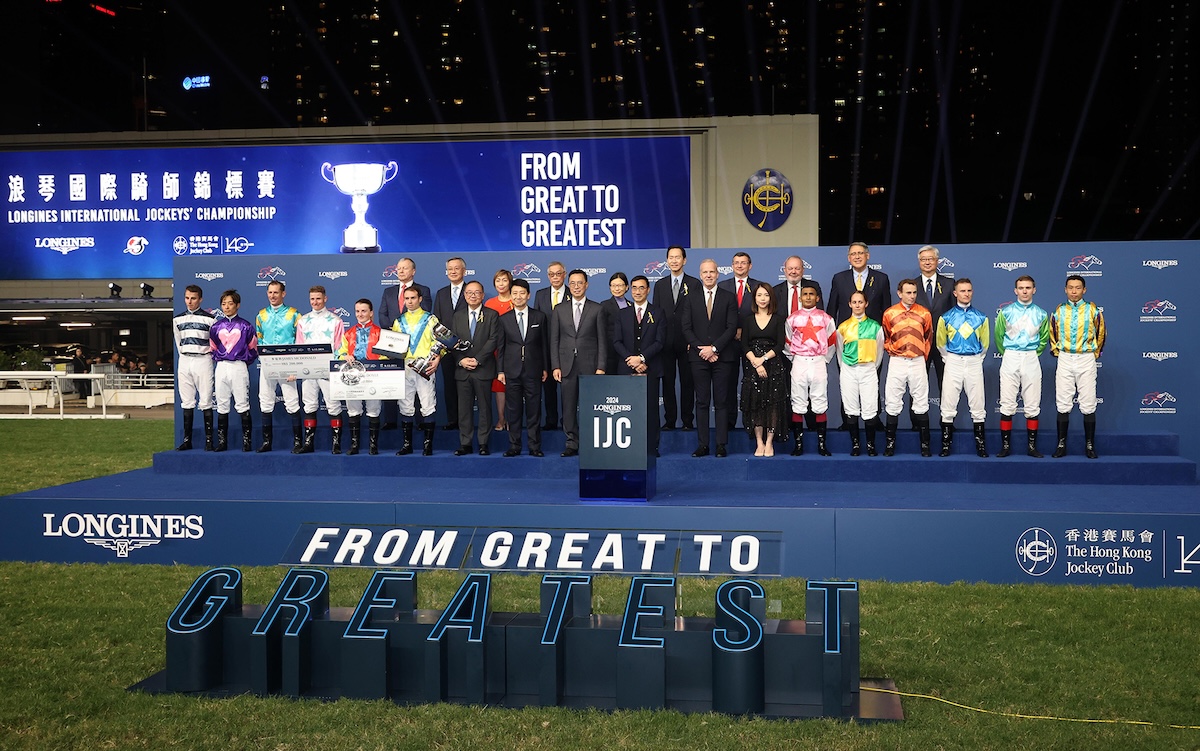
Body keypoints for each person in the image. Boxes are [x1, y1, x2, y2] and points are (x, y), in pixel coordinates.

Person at [827, 242, 891, 430]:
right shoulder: (839, 278)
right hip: (848, 338)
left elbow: (886, 308)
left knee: (874, 378)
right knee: (847, 381)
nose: (857, 256)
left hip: (872, 338)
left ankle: (874, 418)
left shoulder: (881, 278)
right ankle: (848, 419)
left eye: (860, 253)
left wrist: (884, 334)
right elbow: (832, 308)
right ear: (848, 258)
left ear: (868, 256)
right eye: (853, 254)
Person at [680, 258, 738, 457]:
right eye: (705, 272)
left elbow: (731, 328)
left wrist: (714, 348)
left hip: (723, 357)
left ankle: (721, 444)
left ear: (718, 273)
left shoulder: (729, 297)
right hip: (698, 358)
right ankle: (703, 444)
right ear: (700, 274)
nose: (708, 275)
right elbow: (686, 328)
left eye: (712, 272)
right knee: (702, 401)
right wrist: (702, 349)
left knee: (721, 401)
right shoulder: (690, 298)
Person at [551, 269, 607, 457]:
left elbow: (602, 340)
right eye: (572, 283)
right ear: (569, 285)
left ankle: (591, 442)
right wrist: (555, 365)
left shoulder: (597, 309)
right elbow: (554, 340)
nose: (576, 286)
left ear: (586, 285)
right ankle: (572, 443)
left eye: (580, 283)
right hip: (566, 366)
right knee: (568, 407)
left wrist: (601, 367)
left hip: (590, 366)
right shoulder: (559, 309)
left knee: (590, 406)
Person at [1050, 275, 1106, 459]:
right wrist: (1058, 352)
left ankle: (1090, 445)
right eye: (1071, 288)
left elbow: (1101, 333)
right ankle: (1061, 444)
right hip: (1065, 358)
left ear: (1084, 290)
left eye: (1078, 288)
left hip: (1086, 358)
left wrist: (1093, 353)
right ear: (1065, 289)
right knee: (1063, 403)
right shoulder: (1059, 311)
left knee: (1088, 402)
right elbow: (1053, 333)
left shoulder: (1093, 310)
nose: (1074, 291)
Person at [611, 275, 666, 457]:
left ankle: (652, 447)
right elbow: (617, 341)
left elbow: (660, 342)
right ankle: (630, 445)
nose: (637, 291)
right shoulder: (622, 313)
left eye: (641, 288)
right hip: (626, 368)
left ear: (648, 290)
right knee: (627, 408)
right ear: (630, 290)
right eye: (634, 288)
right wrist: (631, 360)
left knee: (650, 410)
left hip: (650, 368)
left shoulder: (658, 312)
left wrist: (642, 359)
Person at [995, 275, 1050, 458]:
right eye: (1021, 288)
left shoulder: (1042, 313)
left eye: (1028, 288)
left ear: (1034, 290)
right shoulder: (1006, 312)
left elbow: (1044, 339)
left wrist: (1032, 352)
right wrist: (1010, 353)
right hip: (1010, 356)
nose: (1024, 291)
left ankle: (1032, 447)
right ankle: (1005, 446)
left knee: (1032, 403)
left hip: (1031, 357)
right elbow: (999, 336)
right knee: (1007, 402)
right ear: (1015, 290)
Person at [935, 278, 990, 458]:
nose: (966, 294)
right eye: (962, 291)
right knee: (948, 402)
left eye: (969, 291)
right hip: (953, 361)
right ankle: (945, 445)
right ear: (955, 293)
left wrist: (974, 359)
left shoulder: (982, 318)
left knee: (978, 403)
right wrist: (950, 358)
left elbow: (985, 345)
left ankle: (981, 445)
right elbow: (941, 343)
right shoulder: (946, 317)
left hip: (974, 361)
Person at [496, 279, 549, 457]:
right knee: (513, 410)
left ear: (528, 295)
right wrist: (500, 370)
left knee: (534, 410)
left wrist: (545, 368)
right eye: (515, 293)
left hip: (533, 370)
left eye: (522, 293)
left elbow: (544, 345)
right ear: (510, 296)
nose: (518, 297)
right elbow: (501, 347)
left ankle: (535, 446)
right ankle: (514, 446)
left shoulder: (539, 317)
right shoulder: (503, 319)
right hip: (512, 371)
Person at [881, 279, 934, 456]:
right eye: (908, 292)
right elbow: (886, 337)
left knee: (921, 401)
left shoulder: (925, 313)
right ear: (899, 293)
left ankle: (925, 445)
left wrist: (920, 356)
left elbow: (928, 337)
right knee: (893, 401)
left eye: (914, 292)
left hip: (918, 361)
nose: (912, 296)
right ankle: (890, 444)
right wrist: (895, 351)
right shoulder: (889, 313)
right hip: (897, 361)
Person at [783, 282, 836, 457]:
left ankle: (822, 444)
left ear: (817, 298)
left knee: (820, 400)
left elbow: (832, 341)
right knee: (798, 401)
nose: (807, 297)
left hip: (819, 361)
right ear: (800, 297)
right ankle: (798, 445)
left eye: (811, 294)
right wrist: (796, 358)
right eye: (804, 294)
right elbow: (787, 341)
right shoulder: (792, 318)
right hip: (799, 361)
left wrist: (824, 359)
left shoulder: (826, 318)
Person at [652, 245, 700, 431]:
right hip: (665, 343)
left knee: (688, 382)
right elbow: (655, 315)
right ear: (667, 261)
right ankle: (670, 420)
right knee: (668, 382)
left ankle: (688, 420)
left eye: (677, 257)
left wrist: (693, 340)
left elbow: (698, 315)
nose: (674, 261)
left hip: (687, 342)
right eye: (670, 257)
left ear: (684, 260)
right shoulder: (660, 284)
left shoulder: (694, 284)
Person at [391, 286, 443, 456]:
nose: (410, 302)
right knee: (405, 406)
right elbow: (393, 346)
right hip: (405, 367)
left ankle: (427, 446)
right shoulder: (399, 321)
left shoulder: (431, 319)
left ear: (420, 299)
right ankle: (407, 445)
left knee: (427, 404)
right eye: (407, 298)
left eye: (413, 298)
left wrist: (437, 358)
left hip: (425, 367)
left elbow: (440, 342)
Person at [294, 285, 345, 454]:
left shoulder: (336, 321)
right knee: (309, 405)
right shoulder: (302, 321)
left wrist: (335, 369)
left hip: (328, 370)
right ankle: (308, 443)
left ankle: (336, 443)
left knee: (333, 405)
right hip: (308, 370)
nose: (315, 302)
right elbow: (299, 346)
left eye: (318, 298)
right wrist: (299, 368)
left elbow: (339, 347)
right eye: (312, 299)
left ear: (325, 299)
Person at [450, 281, 498, 455]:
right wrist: (461, 360)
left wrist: (477, 359)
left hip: (483, 368)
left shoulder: (492, 315)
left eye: (477, 292)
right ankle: (466, 443)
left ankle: (484, 443)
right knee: (464, 409)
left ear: (483, 295)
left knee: (485, 408)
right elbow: (451, 342)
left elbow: (493, 340)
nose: (473, 295)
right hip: (462, 370)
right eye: (469, 292)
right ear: (464, 295)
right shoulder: (457, 316)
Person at [740, 282, 788, 457]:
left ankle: (769, 443)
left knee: (772, 404)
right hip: (753, 366)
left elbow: (780, 344)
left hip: (773, 366)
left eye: (766, 295)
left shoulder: (778, 318)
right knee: (756, 405)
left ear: (771, 298)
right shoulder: (747, 319)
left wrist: (764, 359)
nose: (762, 299)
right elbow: (744, 344)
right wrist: (756, 362)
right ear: (754, 298)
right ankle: (759, 443)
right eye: (759, 295)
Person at [836, 290, 885, 456]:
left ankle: (870, 445)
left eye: (860, 302)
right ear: (850, 304)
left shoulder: (875, 327)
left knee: (870, 407)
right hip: (849, 370)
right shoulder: (842, 327)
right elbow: (839, 351)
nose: (857, 305)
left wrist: (871, 367)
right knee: (851, 408)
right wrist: (846, 368)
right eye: (854, 302)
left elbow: (879, 352)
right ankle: (855, 445)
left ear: (866, 304)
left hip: (868, 369)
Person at [720, 251, 765, 431]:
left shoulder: (758, 287)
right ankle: (729, 422)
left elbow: (761, 313)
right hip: (727, 342)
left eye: (743, 263)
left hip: (751, 341)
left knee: (752, 383)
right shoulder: (722, 286)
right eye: (736, 263)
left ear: (750, 266)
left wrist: (743, 330)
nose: (739, 266)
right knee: (729, 384)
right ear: (732, 265)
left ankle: (753, 422)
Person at [254, 280, 301, 452]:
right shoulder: (261, 315)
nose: (272, 296)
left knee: (292, 401)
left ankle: (298, 442)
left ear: (283, 294)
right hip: (267, 363)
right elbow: (259, 339)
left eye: (276, 292)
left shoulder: (294, 314)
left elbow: (299, 340)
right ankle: (267, 443)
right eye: (270, 292)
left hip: (287, 363)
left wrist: (295, 366)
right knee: (265, 400)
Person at [209, 289, 257, 452]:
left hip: (238, 366)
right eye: (223, 304)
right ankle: (222, 442)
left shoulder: (245, 326)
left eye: (230, 303)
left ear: (238, 305)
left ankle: (247, 441)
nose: (227, 307)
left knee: (242, 404)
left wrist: (242, 361)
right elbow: (213, 348)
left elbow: (253, 349)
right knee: (222, 404)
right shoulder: (216, 327)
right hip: (221, 366)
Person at [337, 298, 386, 455]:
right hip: (353, 377)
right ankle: (354, 445)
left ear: (371, 313)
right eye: (357, 311)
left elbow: (386, 356)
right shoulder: (348, 333)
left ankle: (373, 445)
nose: (360, 314)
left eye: (364, 311)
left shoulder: (380, 333)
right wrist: (345, 356)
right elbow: (340, 353)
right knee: (353, 410)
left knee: (373, 409)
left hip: (373, 377)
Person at [913, 244, 954, 428]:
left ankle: (947, 420)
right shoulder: (911, 285)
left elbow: (954, 314)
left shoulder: (949, 284)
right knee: (916, 384)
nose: (927, 262)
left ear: (937, 261)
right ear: (919, 262)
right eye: (923, 259)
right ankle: (916, 422)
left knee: (945, 383)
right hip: (918, 343)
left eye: (930, 259)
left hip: (943, 343)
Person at [172, 284, 215, 451]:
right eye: (187, 298)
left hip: (203, 360)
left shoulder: (211, 319)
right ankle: (187, 440)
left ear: (200, 299)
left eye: (193, 298)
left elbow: (214, 344)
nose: (189, 302)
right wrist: (184, 357)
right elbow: (178, 342)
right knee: (187, 401)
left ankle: (209, 441)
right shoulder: (177, 319)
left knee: (206, 400)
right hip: (185, 360)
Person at [433, 257, 469, 432]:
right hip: (446, 349)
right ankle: (453, 419)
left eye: (457, 268)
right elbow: (437, 322)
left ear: (464, 271)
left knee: (466, 386)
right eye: (450, 269)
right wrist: (445, 343)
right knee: (449, 384)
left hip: (467, 348)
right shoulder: (441, 293)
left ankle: (465, 421)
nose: (453, 272)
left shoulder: (471, 291)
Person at [533, 260, 568, 431]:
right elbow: (536, 322)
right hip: (546, 348)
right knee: (548, 388)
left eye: (558, 273)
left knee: (568, 389)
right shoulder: (540, 294)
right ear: (548, 276)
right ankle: (551, 419)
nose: (555, 277)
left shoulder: (573, 293)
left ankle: (568, 421)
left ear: (564, 274)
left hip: (568, 348)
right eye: (551, 274)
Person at [485, 269, 515, 432]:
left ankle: (512, 419)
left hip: (514, 351)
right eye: (498, 281)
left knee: (513, 386)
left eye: (504, 280)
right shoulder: (490, 303)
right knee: (499, 387)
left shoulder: (517, 299)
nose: (501, 284)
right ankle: (501, 419)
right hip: (495, 351)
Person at [377, 257, 432, 329]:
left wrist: (406, 329)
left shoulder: (423, 290)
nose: (401, 271)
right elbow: (382, 314)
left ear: (413, 271)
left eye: (405, 268)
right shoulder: (388, 292)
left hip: (414, 333)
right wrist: (395, 328)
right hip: (392, 335)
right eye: (399, 269)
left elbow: (424, 312)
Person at [599, 271, 631, 376]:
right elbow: (601, 332)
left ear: (627, 287)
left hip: (628, 353)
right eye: (613, 285)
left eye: (620, 285)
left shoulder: (632, 305)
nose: (617, 289)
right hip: (611, 353)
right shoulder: (604, 306)